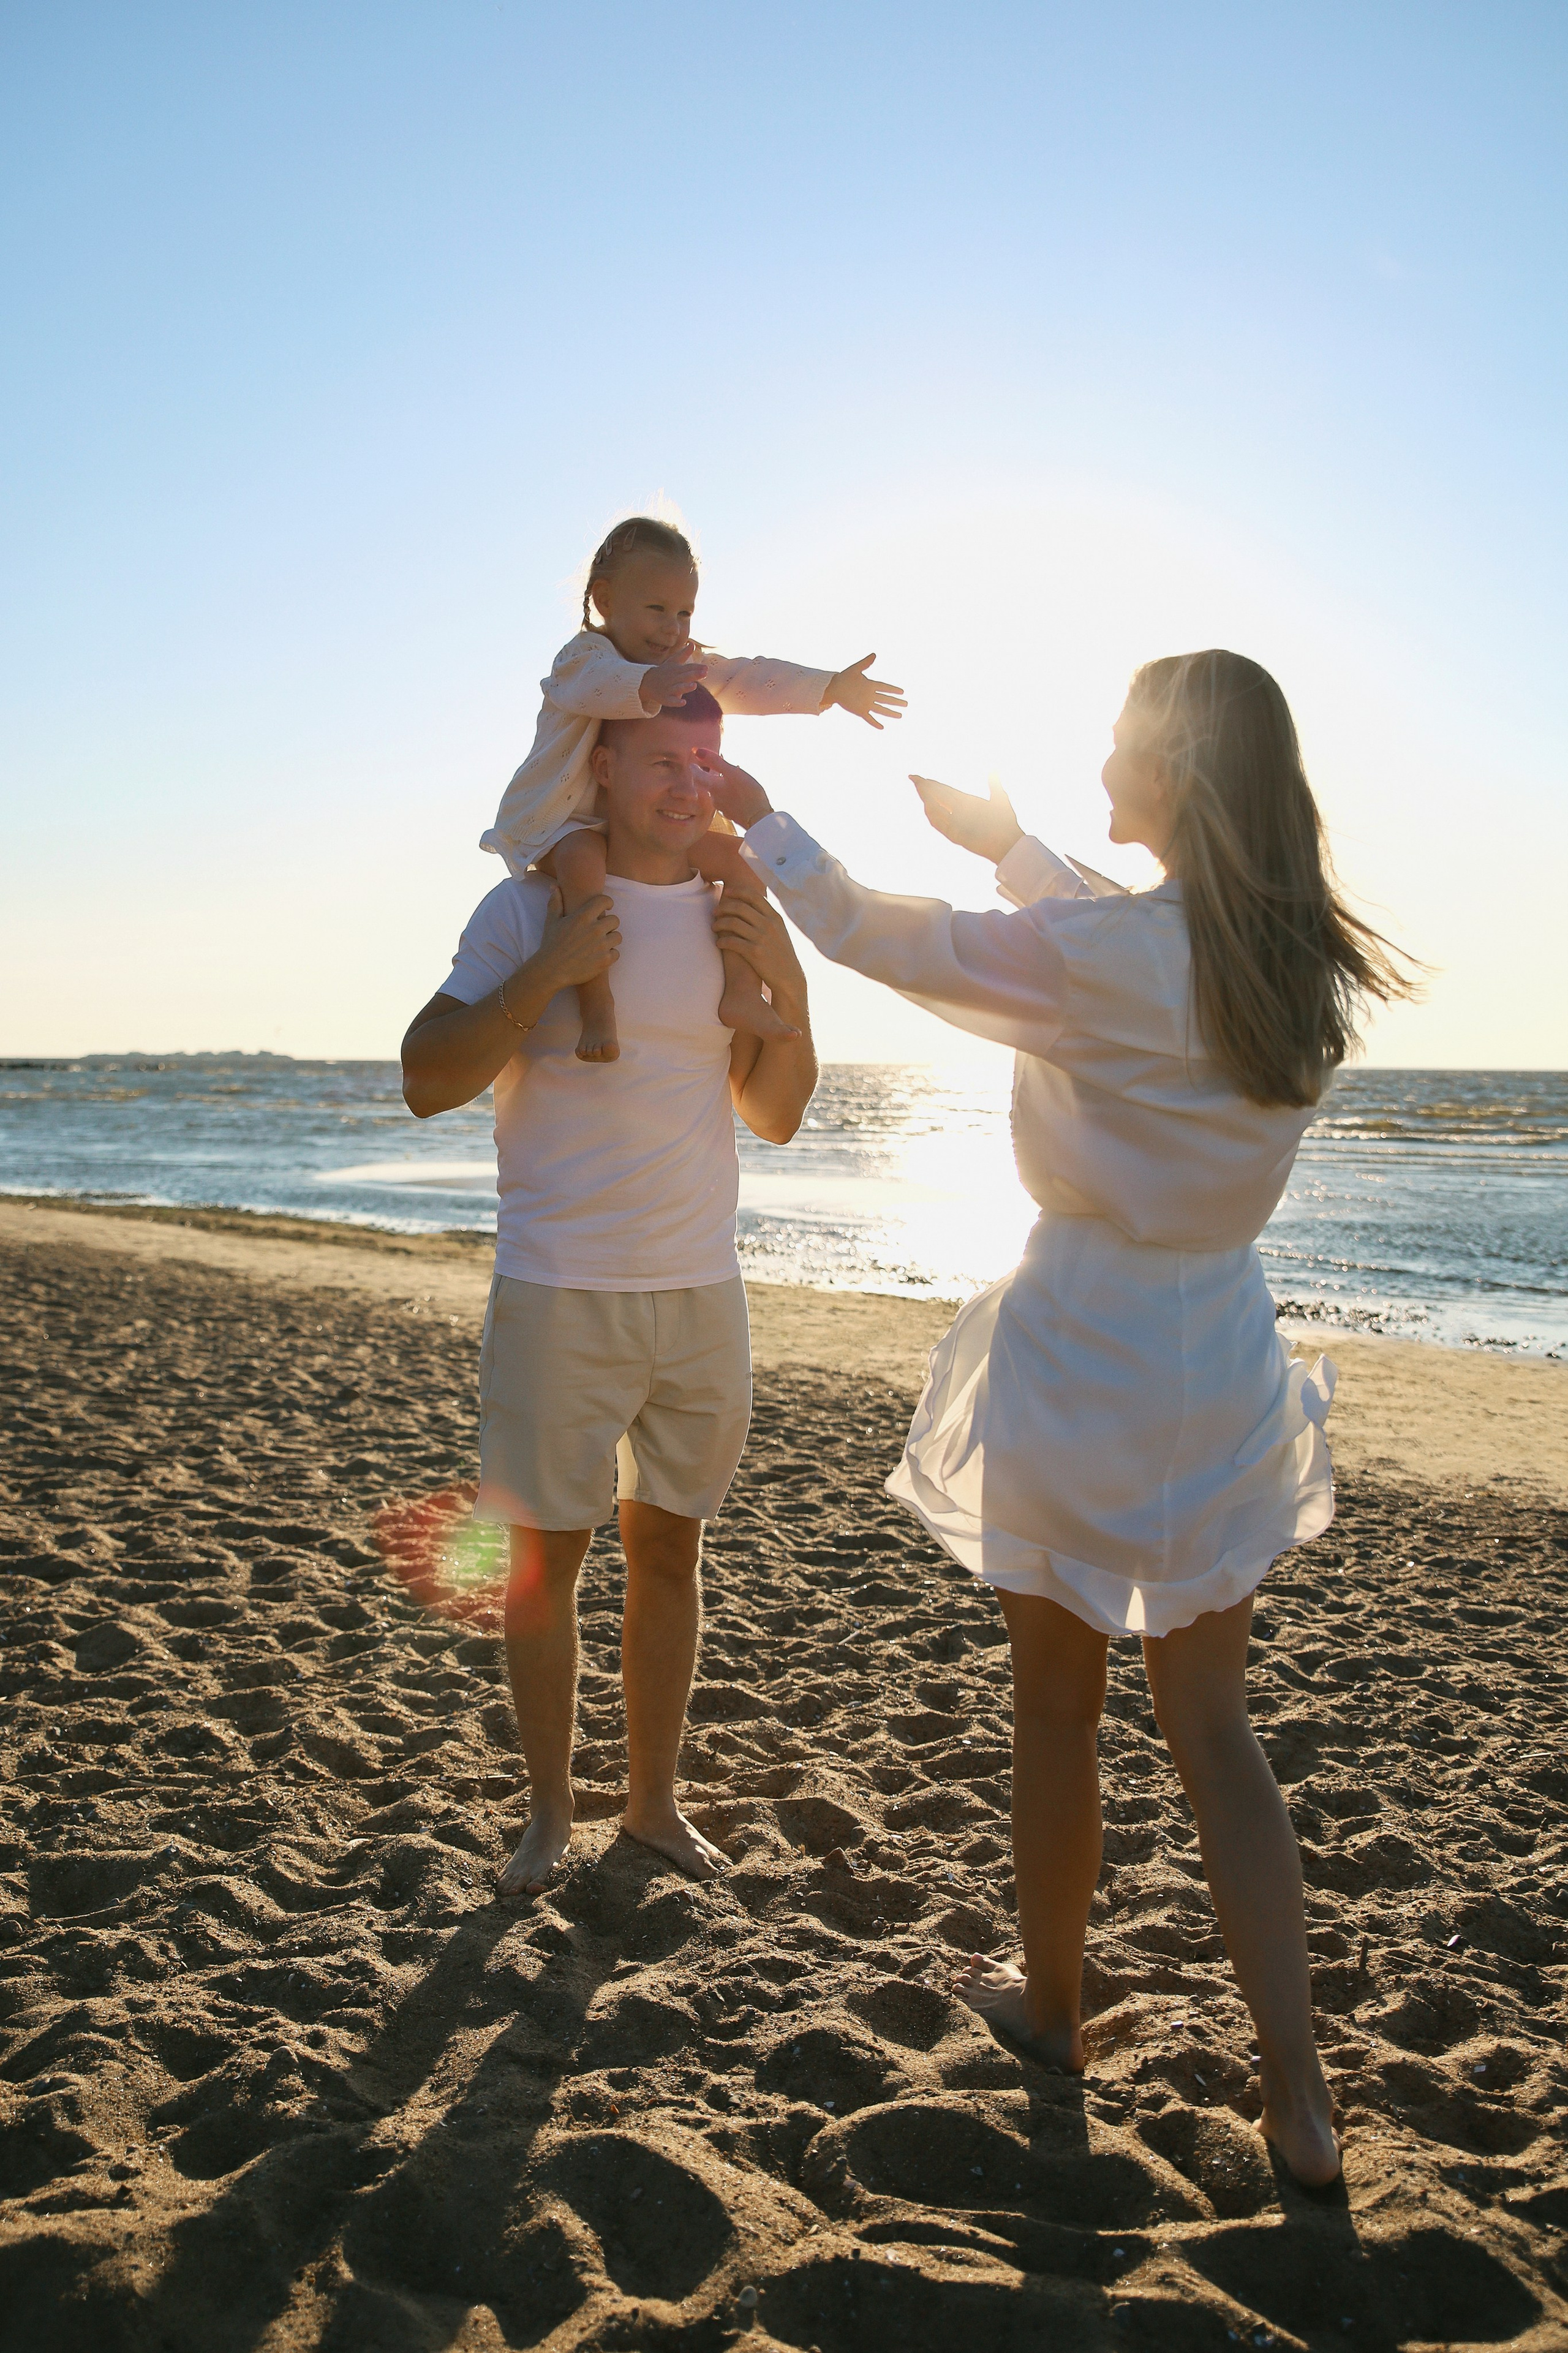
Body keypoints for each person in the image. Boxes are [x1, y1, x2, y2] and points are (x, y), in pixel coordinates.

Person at [703, 649, 1415, 2188]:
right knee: (1215, 1729)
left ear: (1176, 771)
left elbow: (888, 936)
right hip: (1219, 1348)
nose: (1101, 760)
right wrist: (1014, 846)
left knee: (1055, 1708)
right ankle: (1296, 2096)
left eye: (1117, 740)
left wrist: (763, 822)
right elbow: (1115, 941)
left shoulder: (1114, 953)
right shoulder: (1284, 959)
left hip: (1087, 1343)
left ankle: (1051, 2002)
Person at [403, 687, 817, 1894]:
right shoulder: (530, 905)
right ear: (602, 770)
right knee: (547, 1566)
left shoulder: (735, 909)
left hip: (700, 1292)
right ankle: (546, 1817)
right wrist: (551, 971)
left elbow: (775, 1111)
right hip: (558, 1289)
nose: (689, 784)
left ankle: (651, 1806)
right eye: (663, 762)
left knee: (671, 1553)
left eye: (706, 761)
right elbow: (427, 1076)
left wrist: (789, 997)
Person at [480, 513, 905, 1061]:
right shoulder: (582, 658)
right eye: (656, 609)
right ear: (605, 600)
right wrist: (647, 684)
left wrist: (828, 687)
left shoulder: (678, 663)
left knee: (745, 861)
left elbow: (745, 678)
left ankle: (742, 990)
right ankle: (597, 1002)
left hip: (653, 825)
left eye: (684, 613)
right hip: (569, 821)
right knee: (584, 867)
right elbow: (595, 686)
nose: (672, 628)